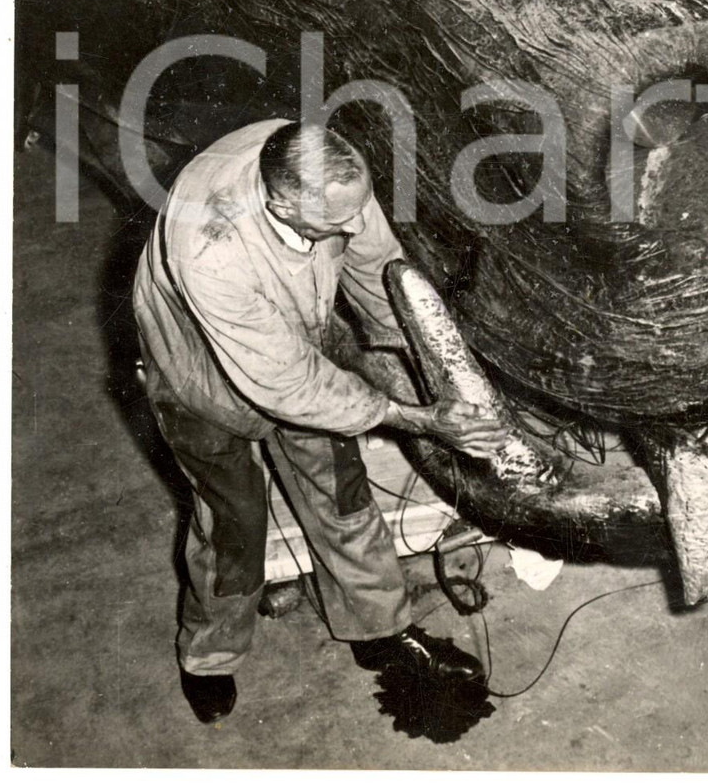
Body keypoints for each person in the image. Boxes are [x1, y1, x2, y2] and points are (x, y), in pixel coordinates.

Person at [132, 118, 508, 723]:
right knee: (235, 522)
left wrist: (419, 356)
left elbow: (375, 265)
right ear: (281, 202)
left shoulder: (324, 173)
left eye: (356, 208)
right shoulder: (210, 245)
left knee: (341, 490)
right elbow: (288, 384)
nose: (354, 223)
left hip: (294, 340)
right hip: (200, 373)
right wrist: (417, 418)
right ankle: (210, 657)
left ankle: (376, 628)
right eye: (337, 220)